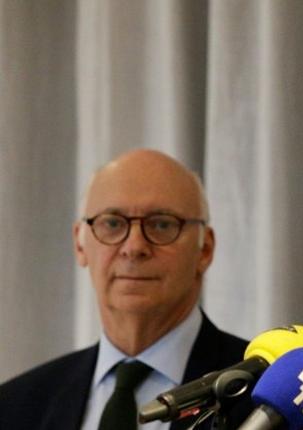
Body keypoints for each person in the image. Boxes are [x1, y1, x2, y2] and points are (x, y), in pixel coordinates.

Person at [0, 149, 252, 429]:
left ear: (205, 249)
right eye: (112, 223)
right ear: (80, 244)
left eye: (162, 224)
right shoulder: (15, 407)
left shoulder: (271, 398)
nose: (134, 248)